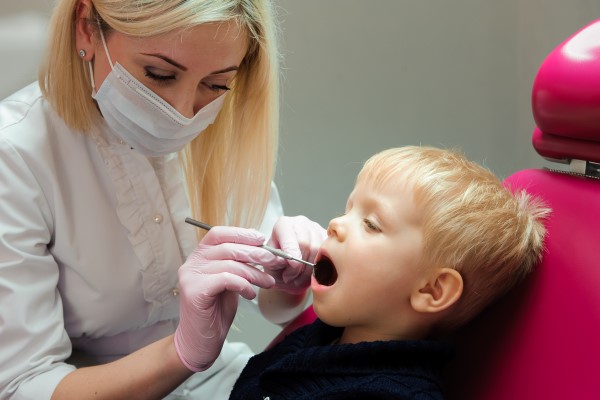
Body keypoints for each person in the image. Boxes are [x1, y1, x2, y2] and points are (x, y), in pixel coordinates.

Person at [0, 0, 325, 398]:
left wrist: (288, 278)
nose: (184, 113)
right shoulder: (14, 157)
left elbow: (270, 296)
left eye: (216, 84)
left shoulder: (215, 129)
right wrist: (181, 352)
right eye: (159, 74)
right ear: (86, 27)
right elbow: (22, 386)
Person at [229, 146, 551, 399]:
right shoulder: (318, 340)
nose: (336, 225)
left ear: (432, 291)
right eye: (348, 209)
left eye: (371, 224)